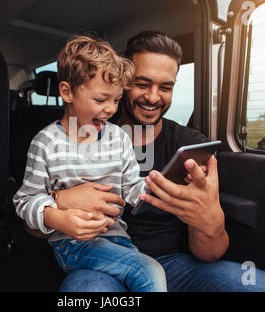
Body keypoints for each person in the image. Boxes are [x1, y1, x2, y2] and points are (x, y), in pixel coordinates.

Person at [38, 30, 265, 292]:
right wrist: (60, 199)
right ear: (123, 81)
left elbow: (209, 254)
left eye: (166, 87)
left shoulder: (192, 146)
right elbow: (31, 226)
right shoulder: (81, 131)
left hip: (172, 265)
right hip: (96, 262)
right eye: (142, 84)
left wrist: (209, 220)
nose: (153, 97)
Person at [13, 35, 167, 292]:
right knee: (149, 272)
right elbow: (25, 200)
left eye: (116, 100)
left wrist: (155, 187)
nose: (110, 109)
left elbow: (131, 188)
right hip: (72, 243)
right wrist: (56, 219)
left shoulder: (118, 137)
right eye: (100, 100)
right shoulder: (46, 142)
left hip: (120, 239)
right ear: (67, 92)